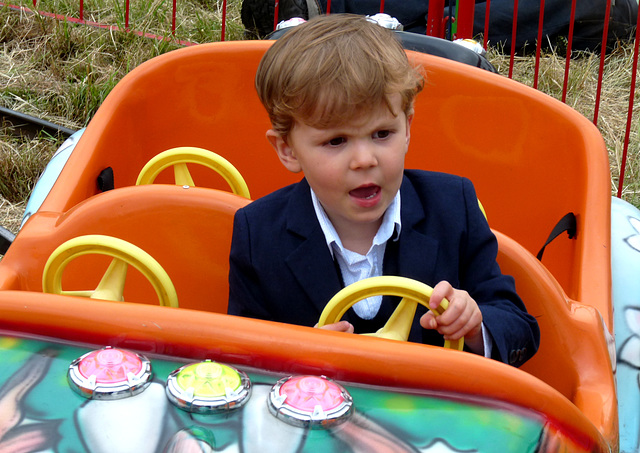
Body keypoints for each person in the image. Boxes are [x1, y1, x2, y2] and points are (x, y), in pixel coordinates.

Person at [227, 13, 540, 367]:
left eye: (381, 134)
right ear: (287, 149)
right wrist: (293, 355)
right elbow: (242, 356)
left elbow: (520, 328)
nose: (364, 160)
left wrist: (475, 325)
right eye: (336, 141)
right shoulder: (258, 233)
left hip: (433, 411)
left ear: (406, 126)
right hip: (317, 415)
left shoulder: (453, 206)